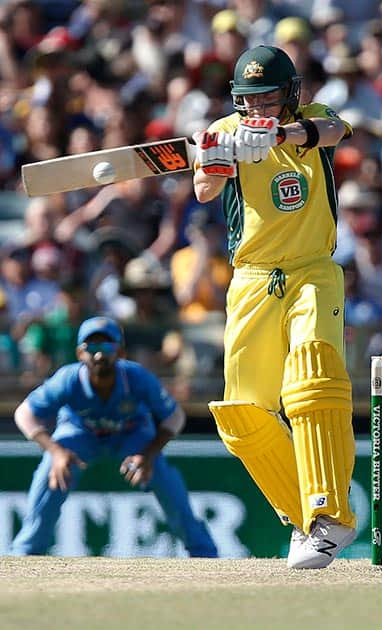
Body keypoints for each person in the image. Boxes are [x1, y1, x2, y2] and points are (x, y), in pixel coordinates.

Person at [193, 44, 357, 569]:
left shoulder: (314, 120)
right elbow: (202, 190)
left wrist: (279, 136)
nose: (258, 107)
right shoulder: (223, 129)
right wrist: (219, 158)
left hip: (313, 269)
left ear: (291, 95)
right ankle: (300, 516)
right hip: (252, 280)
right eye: (249, 100)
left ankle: (331, 518)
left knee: (313, 377)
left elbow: (335, 132)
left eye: (268, 97)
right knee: (242, 415)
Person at [10, 316, 218, 558]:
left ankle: (204, 554)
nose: (99, 355)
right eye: (92, 347)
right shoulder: (68, 379)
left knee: (164, 478)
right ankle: (26, 552)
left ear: (120, 352)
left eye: (107, 347)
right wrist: (55, 451)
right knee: (52, 472)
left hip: (132, 435)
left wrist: (149, 455)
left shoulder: (136, 377)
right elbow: (24, 414)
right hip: (79, 433)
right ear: (79, 353)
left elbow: (175, 417)